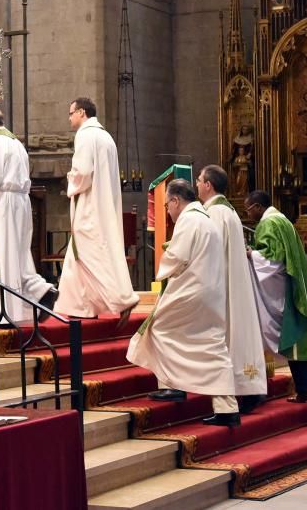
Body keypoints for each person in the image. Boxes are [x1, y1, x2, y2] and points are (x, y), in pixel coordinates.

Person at [126, 179, 240, 427]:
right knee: (211, 346)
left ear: (176, 201)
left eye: (167, 205)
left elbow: (177, 257)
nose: (167, 210)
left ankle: (172, 385)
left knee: (157, 330)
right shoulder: (206, 219)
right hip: (210, 293)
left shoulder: (189, 220)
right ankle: (226, 408)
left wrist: (163, 265)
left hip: (191, 293)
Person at [54, 97, 139, 328]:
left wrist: (70, 180)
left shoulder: (85, 134)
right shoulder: (105, 136)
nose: (70, 118)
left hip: (89, 207)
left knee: (88, 256)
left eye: (71, 113)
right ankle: (81, 307)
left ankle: (123, 299)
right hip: (103, 205)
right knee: (78, 258)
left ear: (81, 112)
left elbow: (82, 172)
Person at [0, 105, 56, 327]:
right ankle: (38, 293)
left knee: (2, 256)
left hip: (3, 206)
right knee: (17, 255)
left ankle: (2, 314)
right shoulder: (16, 143)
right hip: (21, 202)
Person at [196, 165, 267, 409]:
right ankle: (250, 387)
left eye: (199, 180)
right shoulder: (230, 211)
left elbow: (209, 252)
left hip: (222, 286)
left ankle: (239, 390)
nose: (196, 185)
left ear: (209, 185)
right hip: (235, 284)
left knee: (228, 337)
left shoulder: (215, 213)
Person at [244, 190, 307, 402]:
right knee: (291, 339)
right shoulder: (283, 220)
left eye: (248, 209)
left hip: (281, 289)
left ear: (258, 206)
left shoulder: (268, 224)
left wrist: (252, 254)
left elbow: (273, 259)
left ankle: (257, 390)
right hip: (290, 284)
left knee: (279, 334)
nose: (248, 214)